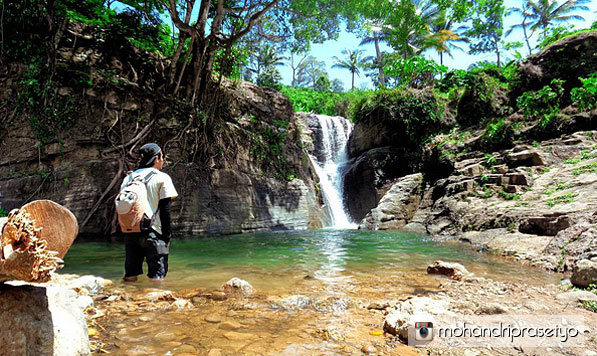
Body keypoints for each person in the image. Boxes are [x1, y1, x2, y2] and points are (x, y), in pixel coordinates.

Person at [120, 143, 178, 281]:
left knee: (130, 274)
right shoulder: (162, 177)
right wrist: (167, 237)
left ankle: (127, 299)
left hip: (131, 231)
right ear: (157, 158)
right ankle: (155, 301)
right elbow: (165, 210)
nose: (163, 160)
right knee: (158, 276)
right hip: (153, 232)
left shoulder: (128, 178)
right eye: (162, 157)